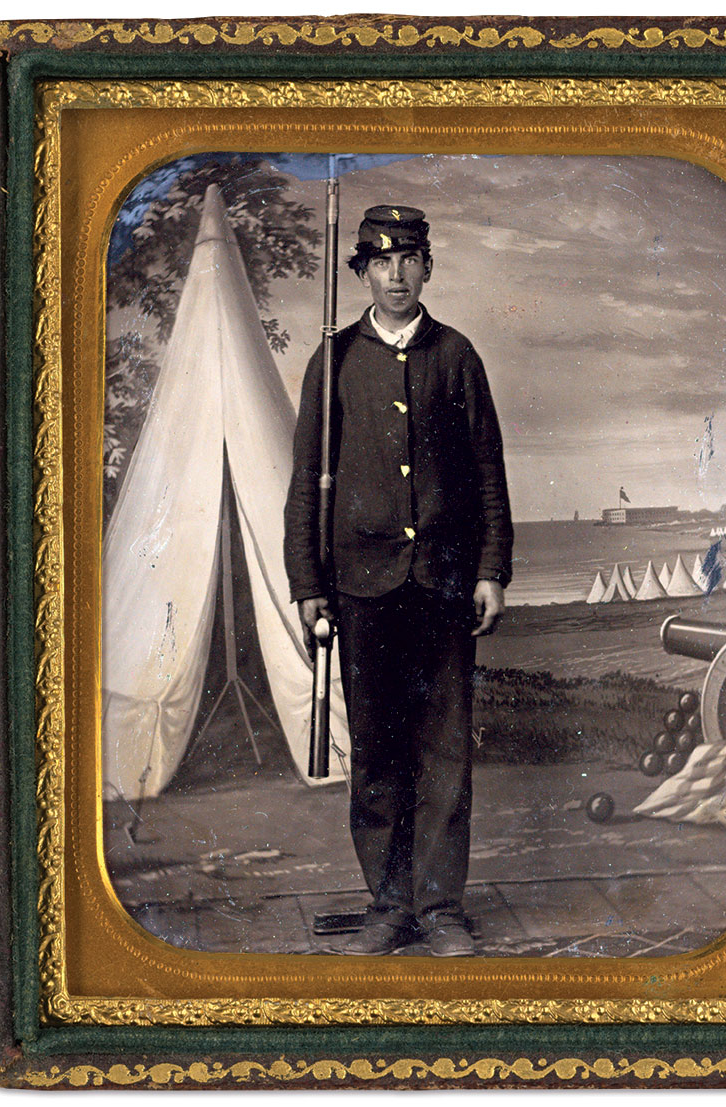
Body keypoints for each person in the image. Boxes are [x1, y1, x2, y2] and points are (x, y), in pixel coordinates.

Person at [284, 205, 513, 957]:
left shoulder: (457, 356)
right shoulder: (335, 357)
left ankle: (442, 905)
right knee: (379, 748)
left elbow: (487, 473)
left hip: (444, 584)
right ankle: (389, 904)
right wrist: (307, 580)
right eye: (380, 262)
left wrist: (489, 571)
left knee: (446, 747)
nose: (396, 274)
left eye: (409, 259)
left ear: (428, 267)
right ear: (361, 272)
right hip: (361, 585)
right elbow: (305, 482)